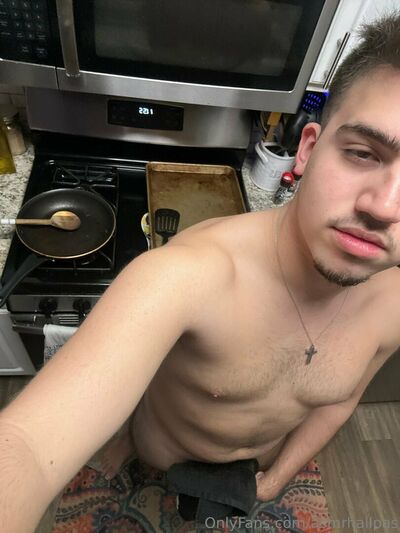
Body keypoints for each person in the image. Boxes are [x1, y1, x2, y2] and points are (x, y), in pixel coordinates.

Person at [2, 11, 400, 531]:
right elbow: (28, 444)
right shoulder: (184, 276)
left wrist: (278, 476)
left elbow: (339, 401)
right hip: (164, 451)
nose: (383, 206)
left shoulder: (394, 303)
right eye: (363, 153)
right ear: (307, 149)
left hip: (252, 466)